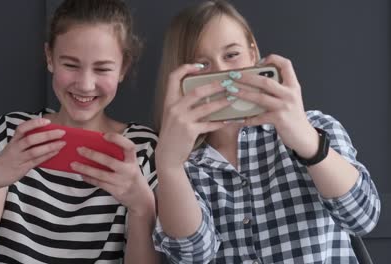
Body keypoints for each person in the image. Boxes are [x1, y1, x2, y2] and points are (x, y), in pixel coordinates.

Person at [152, 1, 380, 263]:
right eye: (201, 65)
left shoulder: (318, 127)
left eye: (231, 55)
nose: (221, 73)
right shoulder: (183, 161)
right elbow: (191, 255)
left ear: (252, 54)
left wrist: (307, 141)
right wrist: (169, 166)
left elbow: (363, 217)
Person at [0, 0, 160, 263]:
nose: (86, 85)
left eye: (102, 68)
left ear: (123, 68)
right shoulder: (15, 132)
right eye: (71, 65)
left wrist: (142, 208)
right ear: (50, 57)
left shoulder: (141, 148)